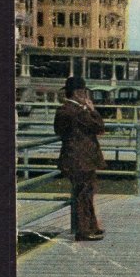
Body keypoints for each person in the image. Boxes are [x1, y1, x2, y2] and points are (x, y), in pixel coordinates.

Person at [53, 76, 106, 241]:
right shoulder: (77, 112)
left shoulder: (63, 110)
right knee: (84, 194)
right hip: (81, 160)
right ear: (77, 93)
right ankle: (84, 231)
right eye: (84, 92)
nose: (86, 95)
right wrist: (92, 109)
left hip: (75, 158)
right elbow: (99, 127)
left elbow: (58, 130)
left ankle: (91, 227)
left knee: (85, 193)